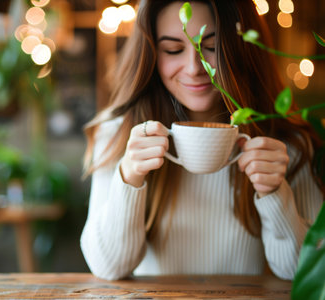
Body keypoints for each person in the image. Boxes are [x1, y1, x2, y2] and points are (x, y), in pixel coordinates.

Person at [80, 0, 324, 281]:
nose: (194, 67)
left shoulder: (287, 144)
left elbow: (306, 272)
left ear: (241, 48)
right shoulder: (119, 134)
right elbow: (109, 267)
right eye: (173, 50)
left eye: (211, 47)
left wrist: (274, 194)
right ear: (151, 55)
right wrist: (129, 177)